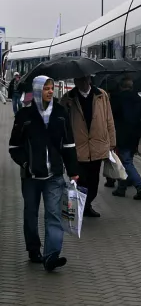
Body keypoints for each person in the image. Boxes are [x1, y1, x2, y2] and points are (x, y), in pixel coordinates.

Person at [8, 76, 79, 271]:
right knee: (31, 214)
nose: (49, 91)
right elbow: (14, 146)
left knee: (54, 215)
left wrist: (73, 171)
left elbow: (69, 145)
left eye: (51, 88)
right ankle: (33, 249)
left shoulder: (60, 113)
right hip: (30, 177)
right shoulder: (25, 116)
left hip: (54, 176)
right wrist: (25, 162)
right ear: (37, 90)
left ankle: (51, 255)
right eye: (45, 88)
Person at [61, 74, 116, 218]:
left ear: (90, 80)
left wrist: (112, 142)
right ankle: (79, 209)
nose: (83, 82)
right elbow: (61, 122)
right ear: (75, 81)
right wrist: (64, 107)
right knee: (81, 180)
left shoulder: (101, 95)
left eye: (85, 79)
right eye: (79, 79)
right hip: (78, 148)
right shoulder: (69, 98)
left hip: (97, 146)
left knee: (93, 182)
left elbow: (109, 119)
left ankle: (87, 205)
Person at [110, 76, 141, 199]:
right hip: (134, 137)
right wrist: (138, 130)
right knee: (124, 161)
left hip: (120, 136)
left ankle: (140, 186)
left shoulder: (117, 99)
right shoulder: (139, 100)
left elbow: (110, 118)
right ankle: (121, 188)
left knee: (125, 162)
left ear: (121, 86)